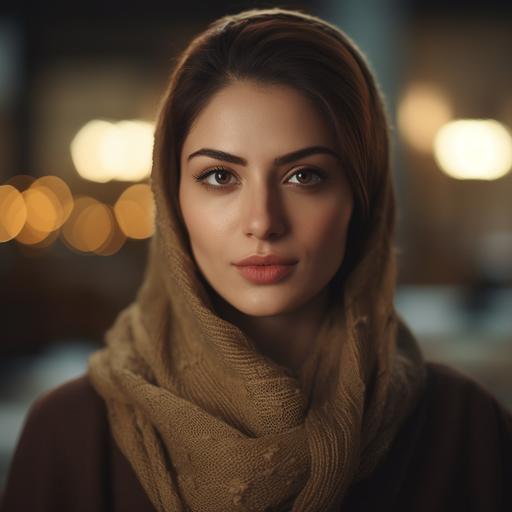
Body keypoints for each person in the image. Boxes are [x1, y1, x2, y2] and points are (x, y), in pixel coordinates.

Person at [1, 7, 511, 512]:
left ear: (364, 196)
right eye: (220, 177)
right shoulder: (69, 434)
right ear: (171, 197)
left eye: (304, 175)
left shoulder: (464, 427)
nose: (263, 221)